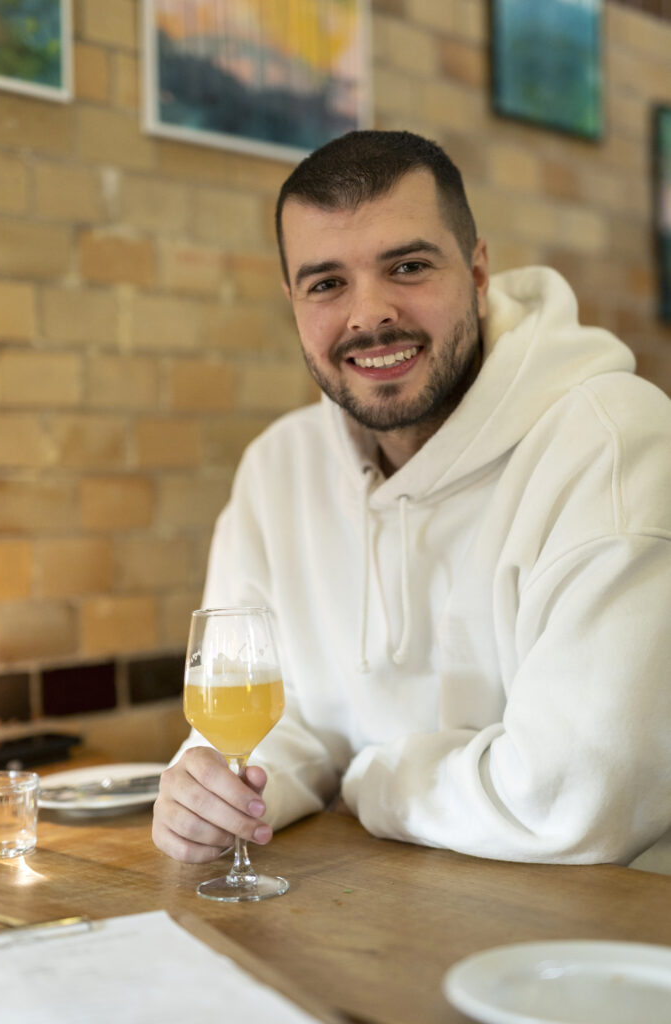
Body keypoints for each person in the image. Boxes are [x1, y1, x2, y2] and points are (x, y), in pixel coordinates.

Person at [152, 130, 671, 868]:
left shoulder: (614, 442)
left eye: (407, 266)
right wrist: (222, 794)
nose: (368, 314)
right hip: (370, 921)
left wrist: (374, 781)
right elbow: (281, 718)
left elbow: (582, 797)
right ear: (293, 302)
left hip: (602, 945)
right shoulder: (277, 468)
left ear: (478, 270)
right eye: (326, 283)